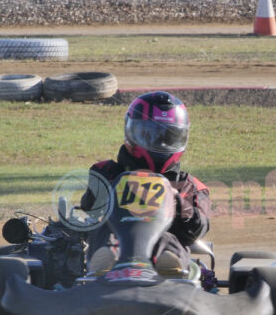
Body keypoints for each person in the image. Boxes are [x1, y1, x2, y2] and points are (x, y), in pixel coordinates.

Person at [80, 91, 210, 273]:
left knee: (167, 237)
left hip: (161, 260)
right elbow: (90, 209)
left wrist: (178, 203)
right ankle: (104, 261)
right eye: (150, 134)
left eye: (168, 137)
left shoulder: (189, 185)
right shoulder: (106, 172)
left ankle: (170, 263)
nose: (161, 144)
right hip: (115, 244)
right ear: (131, 131)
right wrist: (113, 193)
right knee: (105, 230)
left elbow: (195, 232)